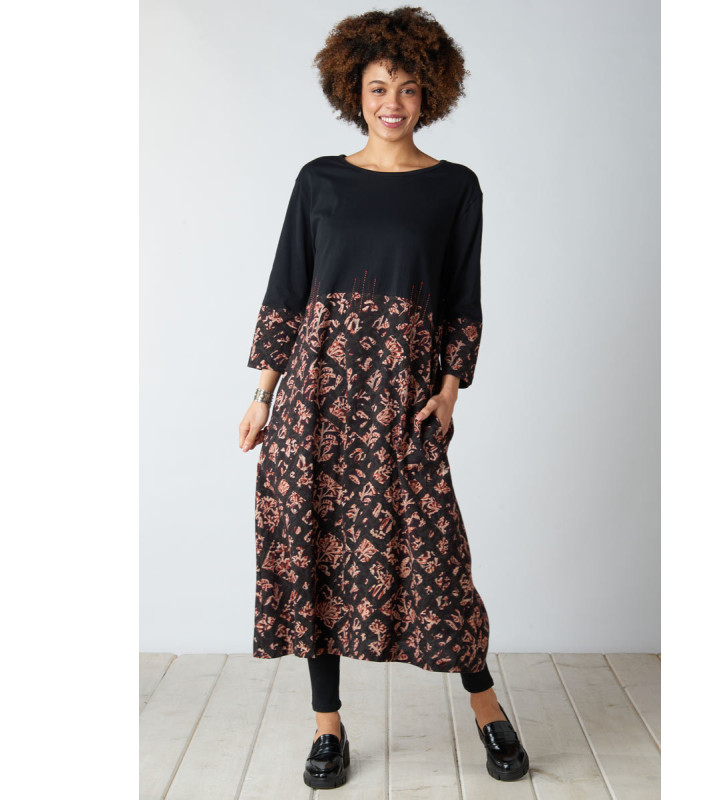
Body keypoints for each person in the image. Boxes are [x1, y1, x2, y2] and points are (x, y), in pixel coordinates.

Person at [238, 6, 530, 789]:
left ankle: (487, 709)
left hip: (403, 405)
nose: (391, 102)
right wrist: (264, 393)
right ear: (354, 93)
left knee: (438, 559)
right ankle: (327, 726)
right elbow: (288, 288)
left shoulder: (454, 188)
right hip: (315, 402)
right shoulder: (319, 180)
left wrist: (450, 391)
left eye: (405, 87)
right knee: (316, 554)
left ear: (428, 93)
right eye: (377, 87)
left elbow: (462, 299)